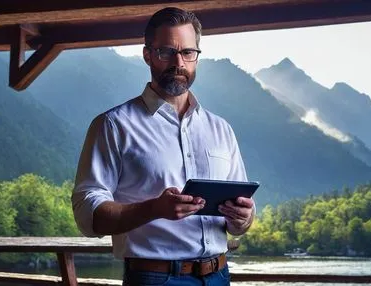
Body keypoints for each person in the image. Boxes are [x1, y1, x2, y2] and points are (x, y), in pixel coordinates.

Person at [72, 7, 255, 286]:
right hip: (154, 278)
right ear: (148, 55)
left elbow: (239, 221)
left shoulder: (222, 129)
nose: (178, 62)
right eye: (166, 52)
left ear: (196, 56)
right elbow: (87, 215)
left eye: (188, 53)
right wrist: (154, 209)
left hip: (219, 276)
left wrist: (243, 219)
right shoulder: (113, 125)